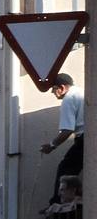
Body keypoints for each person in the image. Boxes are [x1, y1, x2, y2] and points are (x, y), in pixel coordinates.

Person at [40, 72, 84, 204]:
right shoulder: (82, 92)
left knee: (65, 169)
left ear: (62, 88)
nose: (53, 93)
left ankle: (58, 201)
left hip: (86, 138)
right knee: (74, 167)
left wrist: (51, 145)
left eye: (54, 89)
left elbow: (67, 130)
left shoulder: (69, 98)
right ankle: (76, 195)